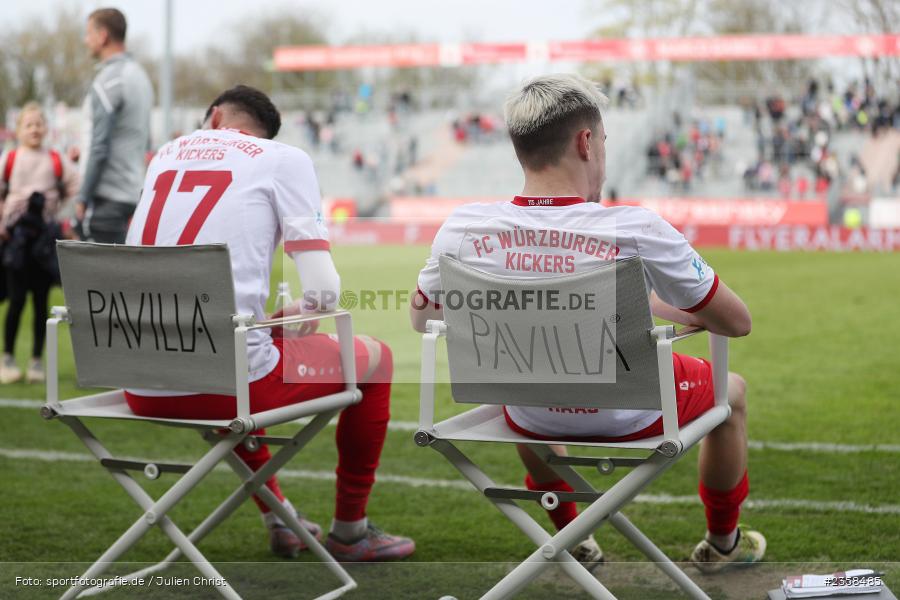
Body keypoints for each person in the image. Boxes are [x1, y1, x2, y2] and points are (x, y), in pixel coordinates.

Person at [410, 73, 764, 573]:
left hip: (529, 415)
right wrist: (693, 314)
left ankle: (573, 537)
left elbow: (423, 320)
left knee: (525, 385)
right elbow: (737, 321)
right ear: (585, 142)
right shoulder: (633, 227)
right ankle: (724, 540)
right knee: (735, 390)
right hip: (631, 412)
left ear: (519, 150)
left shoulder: (463, 227)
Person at [123, 85, 415, 562]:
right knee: (376, 359)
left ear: (214, 118)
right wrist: (301, 311)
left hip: (140, 380)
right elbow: (324, 292)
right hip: (225, 382)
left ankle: (281, 519)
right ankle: (351, 532)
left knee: (233, 351)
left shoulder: (163, 156)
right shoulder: (282, 157)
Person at [0, 102, 80, 384]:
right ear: (19, 129)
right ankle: (7, 357)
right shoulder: (9, 159)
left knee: (41, 302)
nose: (34, 129)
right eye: (29, 124)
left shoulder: (56, 159)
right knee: (16, 299)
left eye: (39, 124)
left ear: (46, 128)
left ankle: (36, 361)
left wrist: (63, 218)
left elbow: (75, 188)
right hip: (16, 241)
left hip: (44, 243)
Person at [76, 7, 152, 243]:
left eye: (88, 33)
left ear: (103, 36)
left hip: (106, 198)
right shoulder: (140, 76)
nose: (85, 40)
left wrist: (83, 196)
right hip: (132, 192)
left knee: (96, 279)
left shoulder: (109, 79)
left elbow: (100, 146)